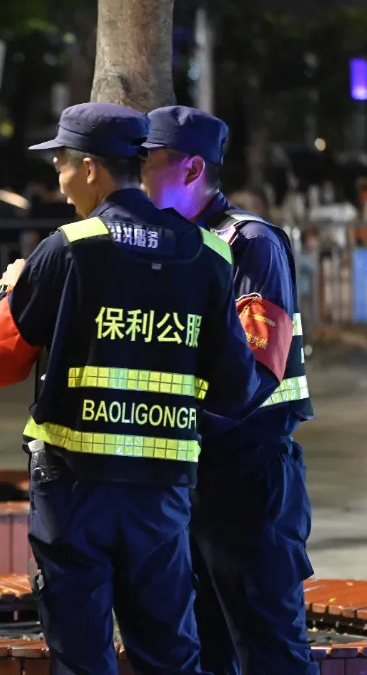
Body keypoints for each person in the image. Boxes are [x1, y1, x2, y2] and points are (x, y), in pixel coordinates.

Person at [0, 102, 264, 675]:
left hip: (74, 490)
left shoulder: (69, 247)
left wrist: (11, 290)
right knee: (169, 654)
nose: (59, 182)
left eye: (61, 165)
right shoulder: (209, 255)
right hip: (161, 493)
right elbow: (235, 389)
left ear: (89, 168)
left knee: (82, 652)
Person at [141, 105, 316, 675]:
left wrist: (176, 417)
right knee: (206, 648)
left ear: (192, 169)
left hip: (250, 479)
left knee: (269, 649)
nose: (136, 177)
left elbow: (258, 367)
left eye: (147, 163)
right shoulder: (172, 245)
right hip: (192, 477)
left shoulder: (250, 243)